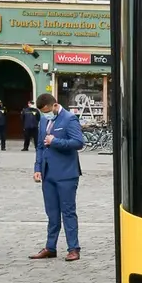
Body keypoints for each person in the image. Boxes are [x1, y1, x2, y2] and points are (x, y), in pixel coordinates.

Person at [30, 93, 85, 262]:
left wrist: (55, 142)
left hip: (66, 174)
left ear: (55, 105)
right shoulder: (43, 120)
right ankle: (50, 247)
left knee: (68, 212)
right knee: (52, 213)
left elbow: (78, 142)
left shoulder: (69, 119)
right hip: (48, 174)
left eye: (47, 111)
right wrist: (38, 167)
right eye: (43, 112)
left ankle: (73, 248)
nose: (45, 114)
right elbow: (40, 146)